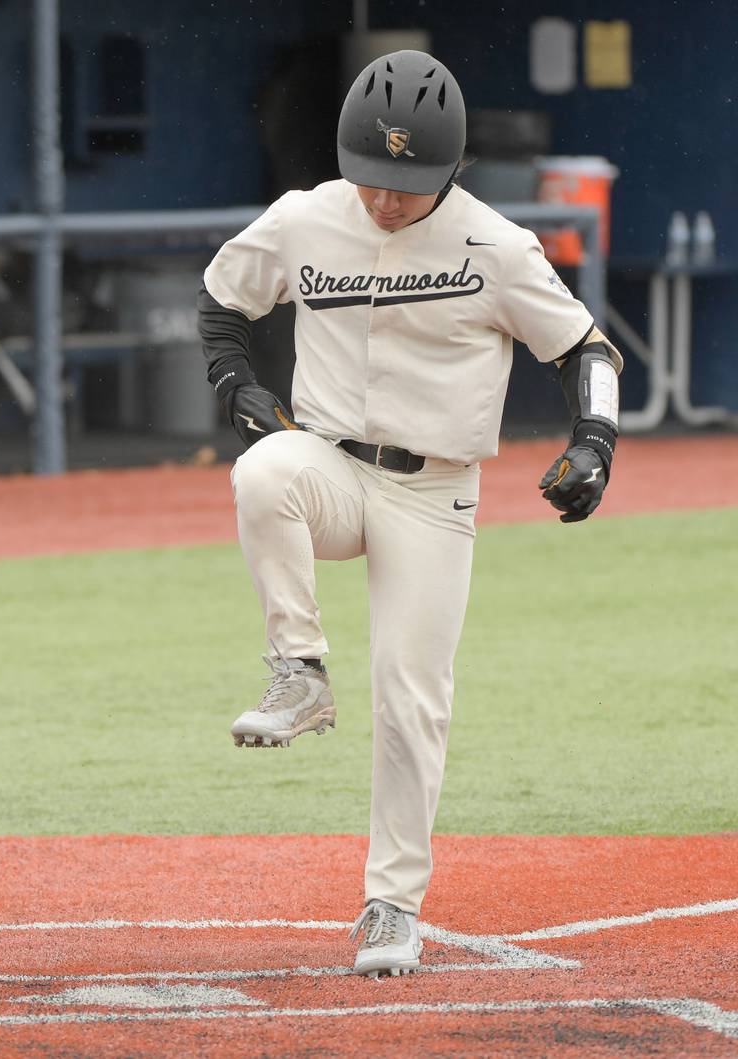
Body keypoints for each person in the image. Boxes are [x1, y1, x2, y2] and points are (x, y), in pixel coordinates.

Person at [197, 50, 622, 979]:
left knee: (409, 694)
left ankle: (390, 904)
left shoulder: (496, 247)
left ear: (453, 169)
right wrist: (236, 384)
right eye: (372, 177)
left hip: (435, 491)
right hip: (336, 466)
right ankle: (298, 670)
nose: (386, 200)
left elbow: (584, 347)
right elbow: (224, 300)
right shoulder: (308, 216)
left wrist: (595, 441)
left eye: (409, 183)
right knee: (265, 471)